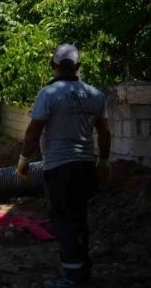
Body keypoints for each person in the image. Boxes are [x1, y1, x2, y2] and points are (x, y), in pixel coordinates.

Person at [17, 44, 112, 287]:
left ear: (54, 66)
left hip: (59, 169)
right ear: (78, 67)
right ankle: (82, 272)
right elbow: (103, 131)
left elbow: (33, 131)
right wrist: (103, 160)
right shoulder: (95, 94)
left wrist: (24, 160)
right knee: (79, 219)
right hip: (85, 167)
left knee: (64, 222)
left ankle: (71, 279)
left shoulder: (48, 94)